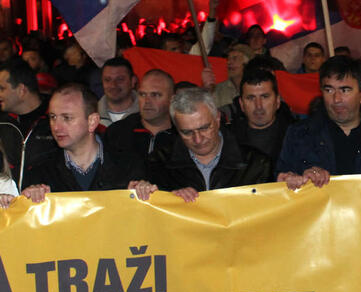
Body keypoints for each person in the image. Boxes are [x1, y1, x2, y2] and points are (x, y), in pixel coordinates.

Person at [276, 56, 361, 187]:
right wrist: (292, 180)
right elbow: (281, 188)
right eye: (329, 90)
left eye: (345, 90)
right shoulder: (299, 135)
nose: (336, 99)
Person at [131, 87, 273, 202]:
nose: (198, 139)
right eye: (187, 132)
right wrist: (168, 199)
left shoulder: (256, 163)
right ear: (176, 129)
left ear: (218, 118)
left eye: (204, 128)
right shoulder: (157, 164)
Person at [9, 84, 141, 202]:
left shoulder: (128, 166)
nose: (56, 127)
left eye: (67, 118)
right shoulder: (40, 172)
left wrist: (143, 194)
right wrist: (30, 201)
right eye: (53, 117)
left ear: (92, 122)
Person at [0, 59, 58, 189]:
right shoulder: (0, 125)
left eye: (1, 88)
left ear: (21, 90)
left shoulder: (55, 122)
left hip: (46, 205)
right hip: (8, 205)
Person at [105, 69, 176, 159]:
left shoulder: (184, 137)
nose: (147, 101)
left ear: (172, 99)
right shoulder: (117, 133)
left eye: (155, 95)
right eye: (142, 94)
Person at [230, 67, 292, 167]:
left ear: (277, 101)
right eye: (251, 98)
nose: (258, 106)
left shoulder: (299, 136)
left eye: (265, 97)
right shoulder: (227, 141)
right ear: (241, 104)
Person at [97, 57, 139, 127]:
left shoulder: (148, 115)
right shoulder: (90, 115)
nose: (113, 85)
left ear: (133, 81)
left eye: (120, 79)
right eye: (107, 80)